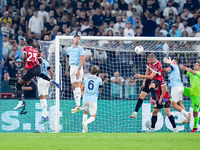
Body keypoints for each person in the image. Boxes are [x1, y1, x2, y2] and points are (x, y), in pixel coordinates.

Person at [13, 38, 60, 111]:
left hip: (31, 69)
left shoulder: (26, 49)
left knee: (18, 85)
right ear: (33, 44)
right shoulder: (36, 51)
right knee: (39, 74)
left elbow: (25, 56)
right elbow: (40, 61)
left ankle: (20, 102)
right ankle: (50, 80)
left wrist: (25, 66)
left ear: (26, 43)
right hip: (37, 67)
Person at [130, 53, 162, 118]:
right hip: (149, 79)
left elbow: (152, 76)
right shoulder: (149, 63)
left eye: (148, 60)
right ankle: (135, 113)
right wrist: (144, 82)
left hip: (156, 79)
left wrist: (140, 76)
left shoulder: (158, 65)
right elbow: (147, 72)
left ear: (152, 59)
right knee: (141, 96)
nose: (148, 61)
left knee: (151, 86)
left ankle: (154, 100)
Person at [72, 65, 102, 133]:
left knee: (85, 112)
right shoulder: (99, 80)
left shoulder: (86, 78)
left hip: (85, 98)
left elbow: (81, 88)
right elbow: (100, 91)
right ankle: (85, 123)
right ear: (97, 72)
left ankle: (83, 130)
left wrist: (83, 95)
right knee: (93, 116)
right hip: (93, 99)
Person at [162, 58, 191, 124]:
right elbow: (166, 72)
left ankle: (187, 114)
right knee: (179, 103)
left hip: (175, 87)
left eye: (172, 60)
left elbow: (166, 70)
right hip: (180, 86)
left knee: (173, 105)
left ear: (174, 62)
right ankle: (186, 118)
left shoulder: (174, 66)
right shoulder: (175, 68)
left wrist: (158, 70)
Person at [65, 35, 85, 112]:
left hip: (77, 67)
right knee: (73, 87)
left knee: (77, 85)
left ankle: (79, 104)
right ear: (73, 39)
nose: (77, 40)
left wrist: (79, 70)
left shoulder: (81, 49)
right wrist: (67, 70)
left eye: (79, 39)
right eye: (76, 38)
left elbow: (82, 60)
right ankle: (77, 104)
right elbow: (67, 59)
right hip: (71, 68)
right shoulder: (69, 49)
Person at [181, 62, 200, 132]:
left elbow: (191, 71)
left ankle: (195, 127)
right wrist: (177, 63)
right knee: (179, 88)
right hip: (191, 91)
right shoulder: (192, 73)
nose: (194, 65)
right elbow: (184, 70)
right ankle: (170, 99)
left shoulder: (198, 73)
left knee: (195, 113)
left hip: (197, 96)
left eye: (196, 65)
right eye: (194, 64)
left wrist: (187, 69)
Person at [38, 51, 54, 124]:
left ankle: (44, 115)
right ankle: (44, 115)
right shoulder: (46, 62)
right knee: (44, 98)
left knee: (42, 99)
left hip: (41, 80)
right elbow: (51, 72)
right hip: (47, 80)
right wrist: (51, 80)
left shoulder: (35, 62)